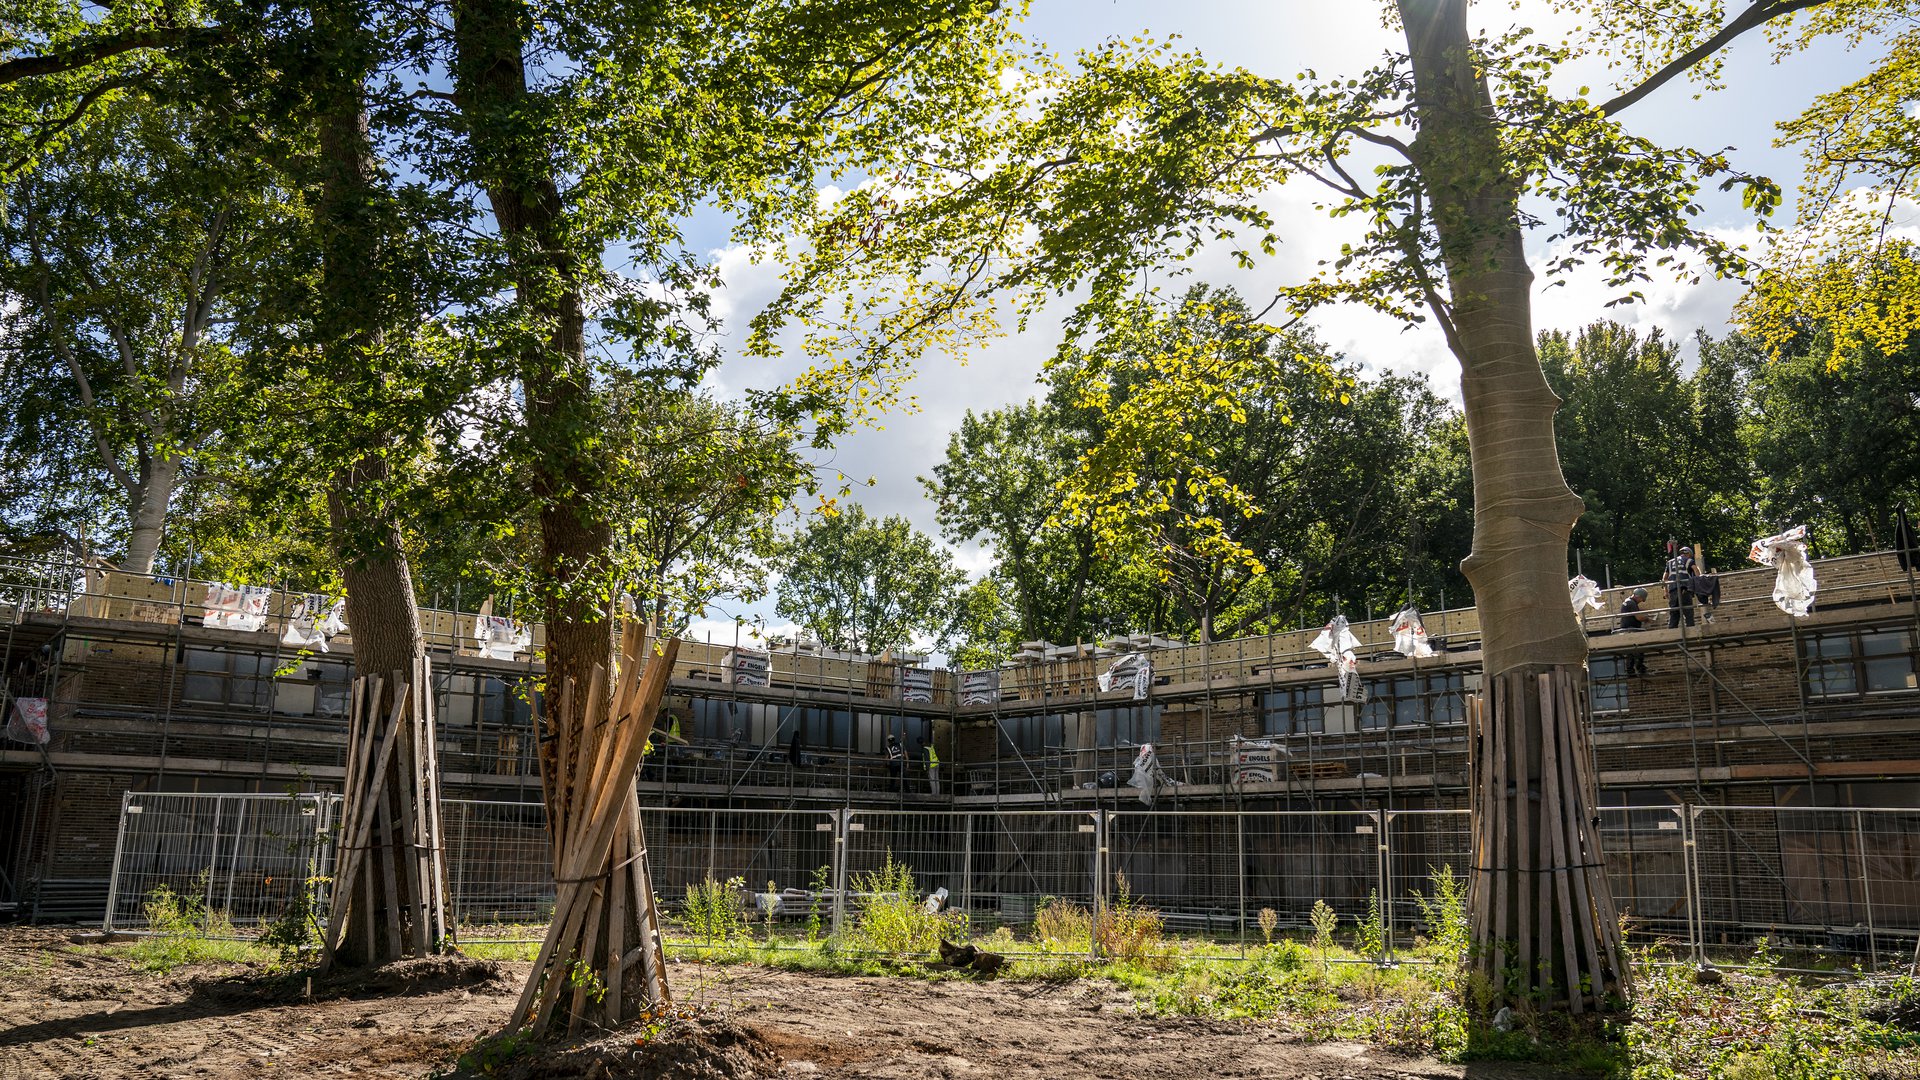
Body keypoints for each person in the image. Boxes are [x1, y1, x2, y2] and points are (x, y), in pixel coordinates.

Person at [1618, 587, 1650, 676]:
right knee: (1639, 649)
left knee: (1631, 651)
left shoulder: (1628, 601)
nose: (1641, 601)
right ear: (1638, 596)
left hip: (1628, 629)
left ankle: (1631, 670)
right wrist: (1647, 618)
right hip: (1631, 629)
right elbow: (1638, 617)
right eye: (1641, 599)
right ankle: (1639, 668)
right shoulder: (1631, 603)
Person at [1665, 544, 1697, 629]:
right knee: (1688, 612)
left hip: (1673, 591)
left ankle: (1672, 634)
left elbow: (1664, 578)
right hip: (1685, 589)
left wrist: (1666, 591)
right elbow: (1696, 571)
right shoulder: (1689, 560)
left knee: (1674, 613)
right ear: (1689, 554)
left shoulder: (1669, 562)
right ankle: (1691, 633)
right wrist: (1699, 583)